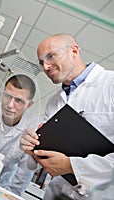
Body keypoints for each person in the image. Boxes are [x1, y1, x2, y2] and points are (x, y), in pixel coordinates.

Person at [20, 33, 114, 199]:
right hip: (56, 194)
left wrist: (71, 165)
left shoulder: (110, 85)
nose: (46, 67)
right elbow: (45, 156)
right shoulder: (53, 102)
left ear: (74, 51)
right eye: (41, 62)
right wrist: (33, 149)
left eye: (51, 56)